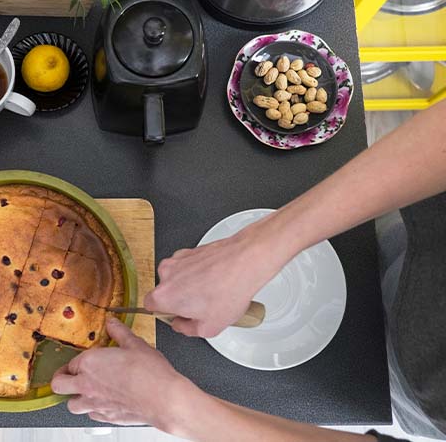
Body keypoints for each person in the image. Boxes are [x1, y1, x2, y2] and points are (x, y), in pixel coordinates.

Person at [51, 100, 446, 442]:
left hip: (420, 382)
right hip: (423, 244)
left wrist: (174, 408)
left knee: (376, 387)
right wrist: (261, 244)